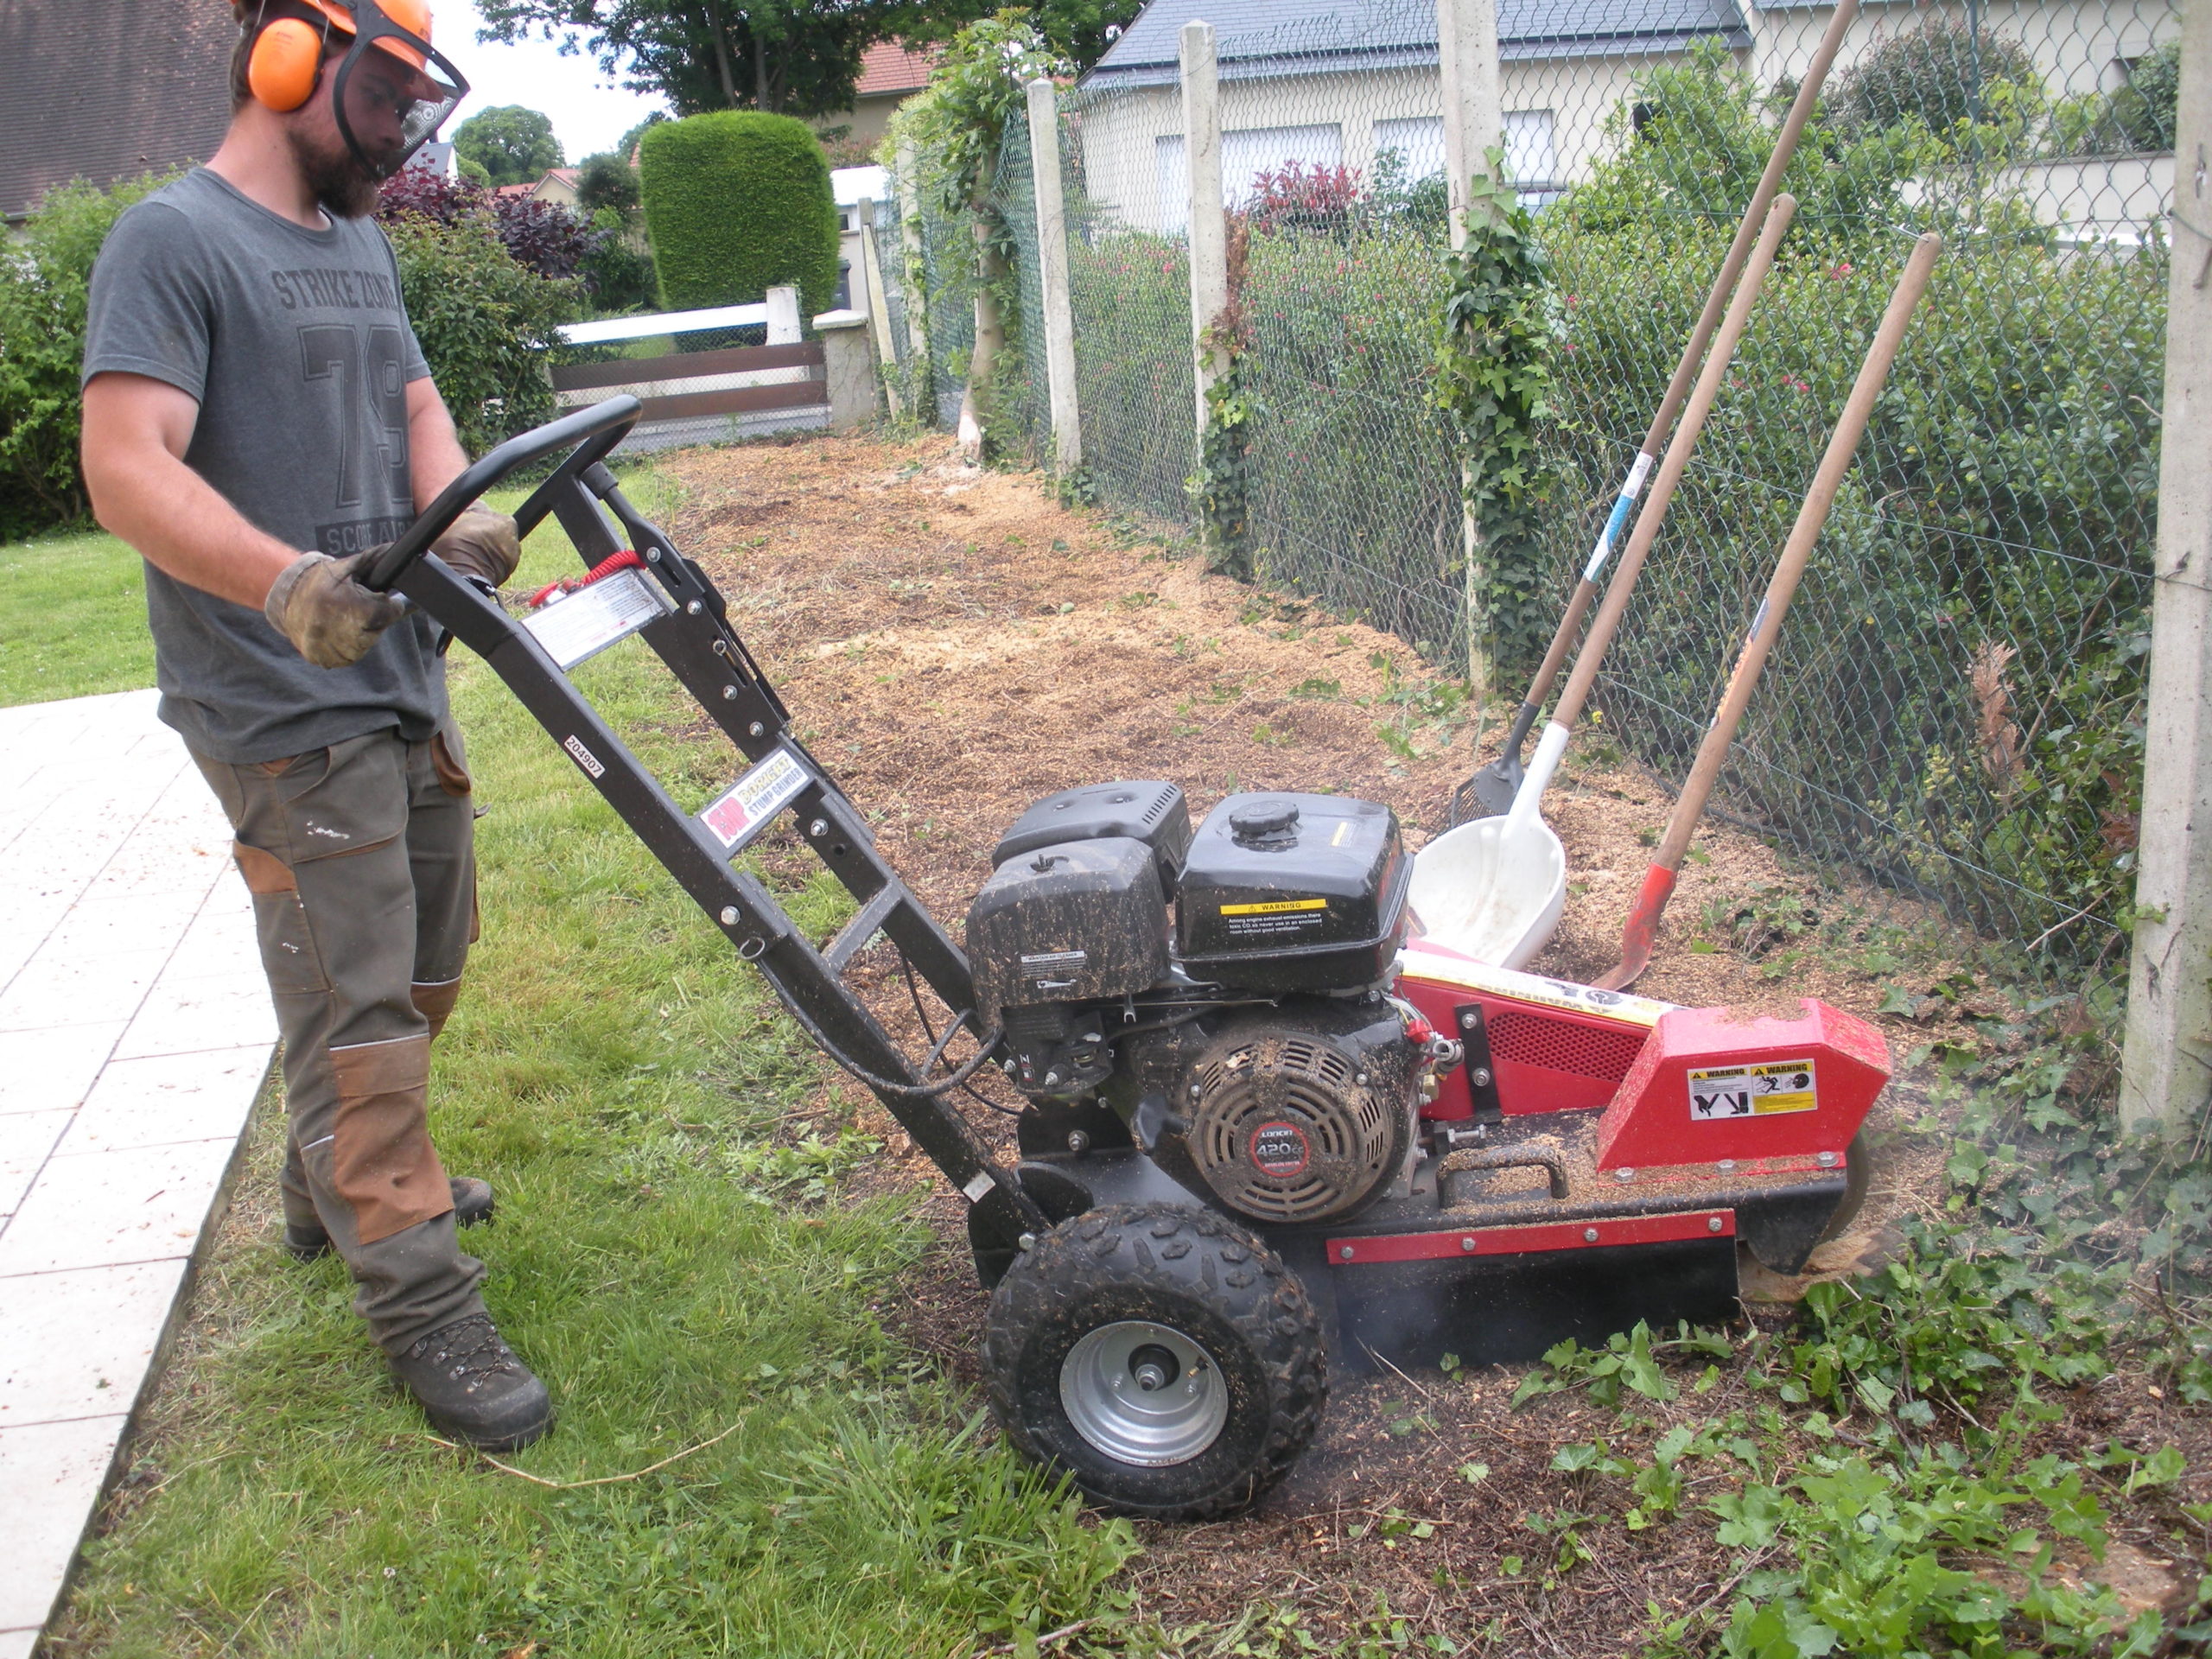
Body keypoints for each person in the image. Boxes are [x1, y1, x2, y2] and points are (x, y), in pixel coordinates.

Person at [79, 0, 551, 1451]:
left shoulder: (356, 240)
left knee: (426, 956)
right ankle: (419, 1304)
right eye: (391, 87)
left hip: (396, 670)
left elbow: (414, 401)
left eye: (419, 94)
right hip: (274, 694)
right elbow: (122, 462)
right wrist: (284, 582)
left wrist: (453, 513)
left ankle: (327, 1177)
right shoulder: (172, 240)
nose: (408, 124)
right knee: (362, 1018)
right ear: (292, 61)